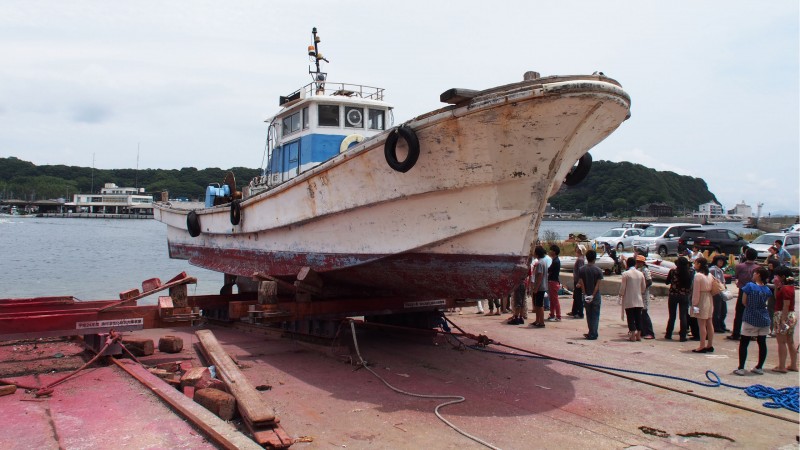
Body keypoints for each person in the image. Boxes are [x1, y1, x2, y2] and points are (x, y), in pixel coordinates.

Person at [734, 267, 772, 375]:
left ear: (758, 274)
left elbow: (744, 301)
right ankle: (759, 367)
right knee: (762, 342)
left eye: (755, 273)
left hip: (750, 317)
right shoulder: (767, 290)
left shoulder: (749, 286)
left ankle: (741, 367)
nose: (753, 274)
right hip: (764, 318)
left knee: (744, 342)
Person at [728, 247, 759, 340]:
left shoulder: (740, 266)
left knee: (739, 313)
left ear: (746, 255)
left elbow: (736, 276)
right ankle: (751, 334)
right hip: (754, 291)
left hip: (742, 290)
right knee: (752, 312)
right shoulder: (757, 268)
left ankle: (736, 333)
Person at [772, 267, 797, 373]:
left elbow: (785, 305)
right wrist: (777, 287)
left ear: (782, 277)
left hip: (783, 315)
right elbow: (777, 298)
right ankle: (793, 365)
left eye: (776, 276)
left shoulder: (785, 289)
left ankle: (781, 366)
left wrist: (782, 320)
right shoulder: (789, 287)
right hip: (791, 315)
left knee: (781, 342)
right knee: (790, 341)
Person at [577, 249, 604, 340]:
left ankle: (591, 332)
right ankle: (593, 333)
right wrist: (592, 295)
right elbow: (597, 285)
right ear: (595, 258)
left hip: (586, 294)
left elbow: (581, 283)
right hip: (595, 296)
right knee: (595, 315)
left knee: (589, 314)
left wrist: (585, 294)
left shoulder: (582, 269)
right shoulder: (599, 270)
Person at [665, 257, 693, 341]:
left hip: (673, 295)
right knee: (683, 316)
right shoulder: (690, 272)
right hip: (684, 295)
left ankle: (668, 334)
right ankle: (682, 336)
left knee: (672, 316)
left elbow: (667, 282)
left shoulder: (673, 271)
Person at [690, 257, 715, 353]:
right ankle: (710, 344)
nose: (694, 265)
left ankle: (702, 345)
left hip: (701, 299)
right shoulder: (709, 275)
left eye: (695, 263)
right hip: (709, 298)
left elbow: (696, 292)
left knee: (701, 324)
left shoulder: (698, 276)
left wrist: (694, 304)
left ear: (699, 264)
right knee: (709, 322)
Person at [620, 257, 646, 341]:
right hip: (638, 299)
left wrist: (620, 295)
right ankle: (638, 335)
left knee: (630, 317)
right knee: (638, 317)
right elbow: (643, 287)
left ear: (627, 264)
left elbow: (622, 288)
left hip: (629, 299)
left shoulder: (625, 274)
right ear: (635, 264)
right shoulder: (640, 274)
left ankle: (632, 336)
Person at [635, 254, 655, 339]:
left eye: (639, 262)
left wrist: (642, 287)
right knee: (640, 314)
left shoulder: (645, 270)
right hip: (639, 294)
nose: (638, 263)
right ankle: (642, 331)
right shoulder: (638, 269)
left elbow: (649, 281)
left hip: (644, 294)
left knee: (644, 314)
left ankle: (650, 332)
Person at [709, 255, 729, 333]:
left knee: (723, 310)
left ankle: (721, 325)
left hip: (721, 291)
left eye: (722, 261)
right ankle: (716, 326)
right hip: (717, 291)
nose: (721, 263)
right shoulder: (713, 270)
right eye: (719, 261)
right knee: (718, 310)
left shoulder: (719, 270)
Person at [530, 246, 548, 327]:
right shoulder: (543, 261)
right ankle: (537, 320)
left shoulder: (540, 263)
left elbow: (540, 276)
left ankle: (541, 322)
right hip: (542, 286)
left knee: (539, 305)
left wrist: (536, 287)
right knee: (537, 304)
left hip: (540, 287)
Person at [568, 245, 586, 319]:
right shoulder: (579, 259)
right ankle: (574, 311)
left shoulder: (580, 260)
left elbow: (581, 271)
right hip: (576, 280)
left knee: (578, 297)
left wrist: (579, 282)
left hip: (578, 281)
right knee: (576, 296)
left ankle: (580, 313)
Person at [546, 245, 562, 322]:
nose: (550, 252)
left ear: (554, 252)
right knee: (552, 300)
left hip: (553, 282)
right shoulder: (555, 260)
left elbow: (549, 270)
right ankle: (552, 314)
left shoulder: (556, 261)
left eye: (551, 250)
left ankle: (558, 316)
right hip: (553, 281)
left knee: (555, 300)